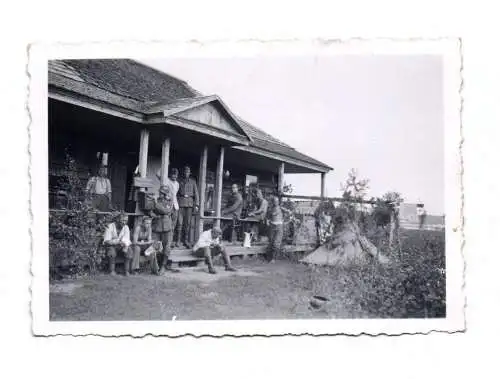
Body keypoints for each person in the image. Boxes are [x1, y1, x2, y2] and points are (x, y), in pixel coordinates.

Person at [153, 185, 179, 274]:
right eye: (160, 192)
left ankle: (163, 266)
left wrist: (155, 204)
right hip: (156, 226)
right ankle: (155, 266)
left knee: (167, 247)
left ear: (165, 194)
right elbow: (151, 211)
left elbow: (166, 211)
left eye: (161, 193)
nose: (159, 194)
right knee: (155, 246)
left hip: (167, 227)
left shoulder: (169, 201)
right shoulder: (156, 200)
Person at [176, 166, 199, 248]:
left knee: (187, 223)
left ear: (190, 173)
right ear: (183, 173)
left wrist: (196, 205)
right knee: (179, 223)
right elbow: (176, 193)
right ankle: (178, 240)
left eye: (188, 172)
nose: (186, 173)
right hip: (181, 204)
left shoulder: (193, 182)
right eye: (185, 172)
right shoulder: (179, 181)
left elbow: (196, 194)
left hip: (189, 205)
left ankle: (185, 240)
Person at [265, 195, 292, 263]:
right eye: (274, 201)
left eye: (276, 201)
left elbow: (290, 213)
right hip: (272, 226)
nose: (275, 202)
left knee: (276, 243)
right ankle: (270, 257)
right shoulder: (270, 209)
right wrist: (268, 221)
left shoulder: (281, 208)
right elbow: (267, 217)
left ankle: (273, 259)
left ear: (278, 202)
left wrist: (286, 221)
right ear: (272, 202)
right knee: (271, 242)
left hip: (279, 227)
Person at [166, 168, 180, 246]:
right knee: (168, 224)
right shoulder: (167, 181)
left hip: (175, 206)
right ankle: (167, 241)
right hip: (168, 205)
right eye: (173, 175)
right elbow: (158, 174)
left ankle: (170, 241)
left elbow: (175, 194)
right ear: (170, 175)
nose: (174, 177)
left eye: (176, 176)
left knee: (173, 225)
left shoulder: (177, 184)